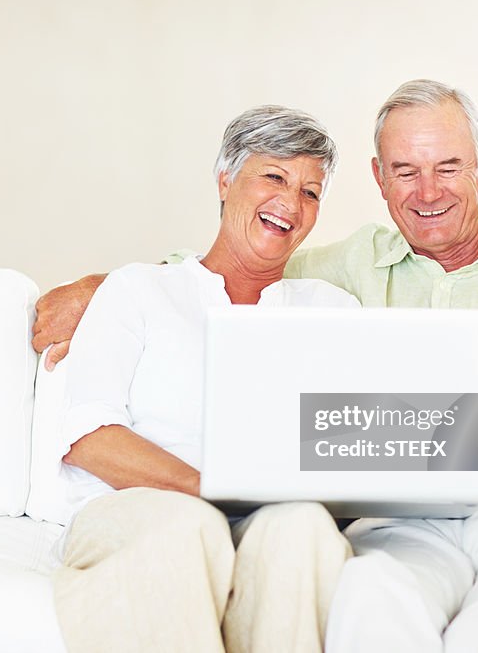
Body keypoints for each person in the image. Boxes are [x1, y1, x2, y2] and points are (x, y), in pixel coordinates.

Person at [33, 80, 478, 653]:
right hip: (415, 525)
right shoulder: (349, 271)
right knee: (368, 605)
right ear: (379, 180)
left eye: (448, 167)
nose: (427, 192)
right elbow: (238, 266)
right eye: (406, 171)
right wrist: (101, 286)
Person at [50, 105, 359, 653]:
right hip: (137, 508)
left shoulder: (330, 310)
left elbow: (353, 442)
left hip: (269, 514)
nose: (291, 203)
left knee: (305, 529)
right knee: (189, 526)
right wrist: (213, 492)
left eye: (311, 192)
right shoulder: (138, 290)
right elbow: (88, 438)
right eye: (274, 177)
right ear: (224, 180)